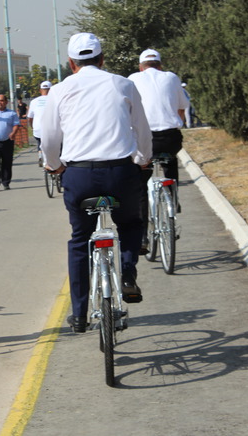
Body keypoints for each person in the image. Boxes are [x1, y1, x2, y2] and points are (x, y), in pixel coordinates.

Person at [40, 33, 152, 333]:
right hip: (120, 172)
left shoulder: (60, 90)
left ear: (70, 63)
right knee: (129, 223)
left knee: (79, 239)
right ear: (102, 59)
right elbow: (142, 129)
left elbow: (50, 138)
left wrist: (55, 165)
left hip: (79, 175)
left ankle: (78, 315)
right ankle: (127, 272)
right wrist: (143, 159)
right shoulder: (123, 84)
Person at [128, 48, 188, 252]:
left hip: (146, 138)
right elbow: (181, 108)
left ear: (140, 66)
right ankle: (174, 196)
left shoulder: (133, 78)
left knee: (142, 183)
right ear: (160, 65)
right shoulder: (171, 77)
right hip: (170, 137)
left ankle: (143, 236)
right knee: (171, 160)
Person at [27, 80, 52, 167]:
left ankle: (40, 154)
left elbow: (30, 118)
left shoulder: (34, 101)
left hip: (38, 129)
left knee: (40, 142)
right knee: (56, 144)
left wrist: (32, 127)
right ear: (51, 90)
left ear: (40, 90)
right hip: (52, 130)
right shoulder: (55, 100)